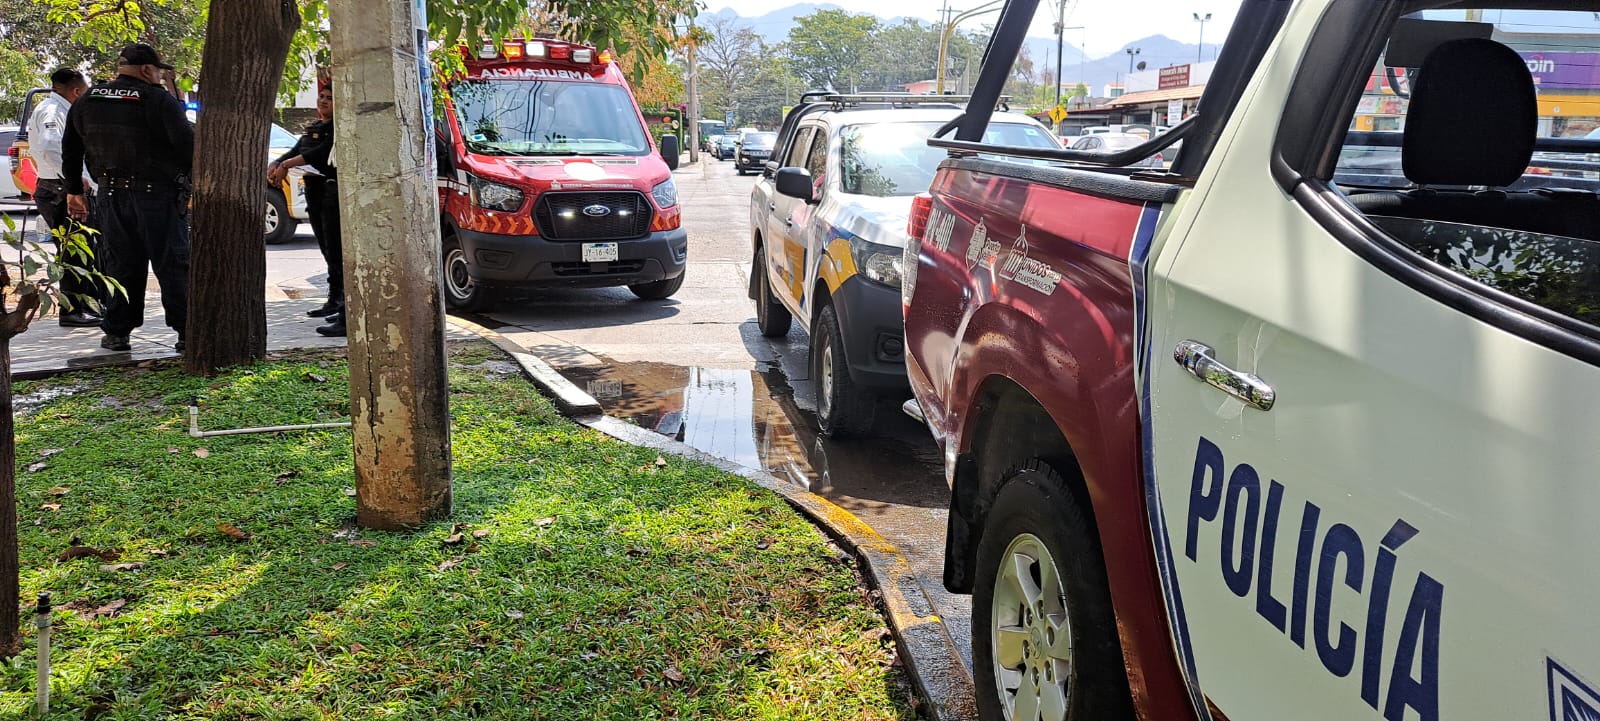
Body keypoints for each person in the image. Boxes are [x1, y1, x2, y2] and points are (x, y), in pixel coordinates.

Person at [60, 43, 193, 353]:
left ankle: (117, 332)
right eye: (159, 71)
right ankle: (187, 331)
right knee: (172, 264)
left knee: (120, 265)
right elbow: (188, 148)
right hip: (157, 198)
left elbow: (70, 149)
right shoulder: (158, 100)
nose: (160, 76)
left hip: (110, 197)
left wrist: (74, 192)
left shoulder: (88, 99)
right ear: (148, 70)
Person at [26, 68, 100, 327]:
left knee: (82, 249)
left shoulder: (59, 109)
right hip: (59, 190)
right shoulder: (53, 111)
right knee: (73, 251)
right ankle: (72, 310)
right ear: (76, 91)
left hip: (59, 187)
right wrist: (73, 181)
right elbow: (49, 146)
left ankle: (86, 304)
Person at [268, 83, 344, 334]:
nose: (323, 101)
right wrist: (278, 162)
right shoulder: (316, 126)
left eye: (329, 98)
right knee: (325, 247)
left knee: (336, 251)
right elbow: (298, 149)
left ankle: (342, 303)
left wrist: (288, 163)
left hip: (331, 192)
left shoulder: (339, 127)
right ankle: (334, 301)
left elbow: (322, 154)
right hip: (314, 193)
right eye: (321, 96)